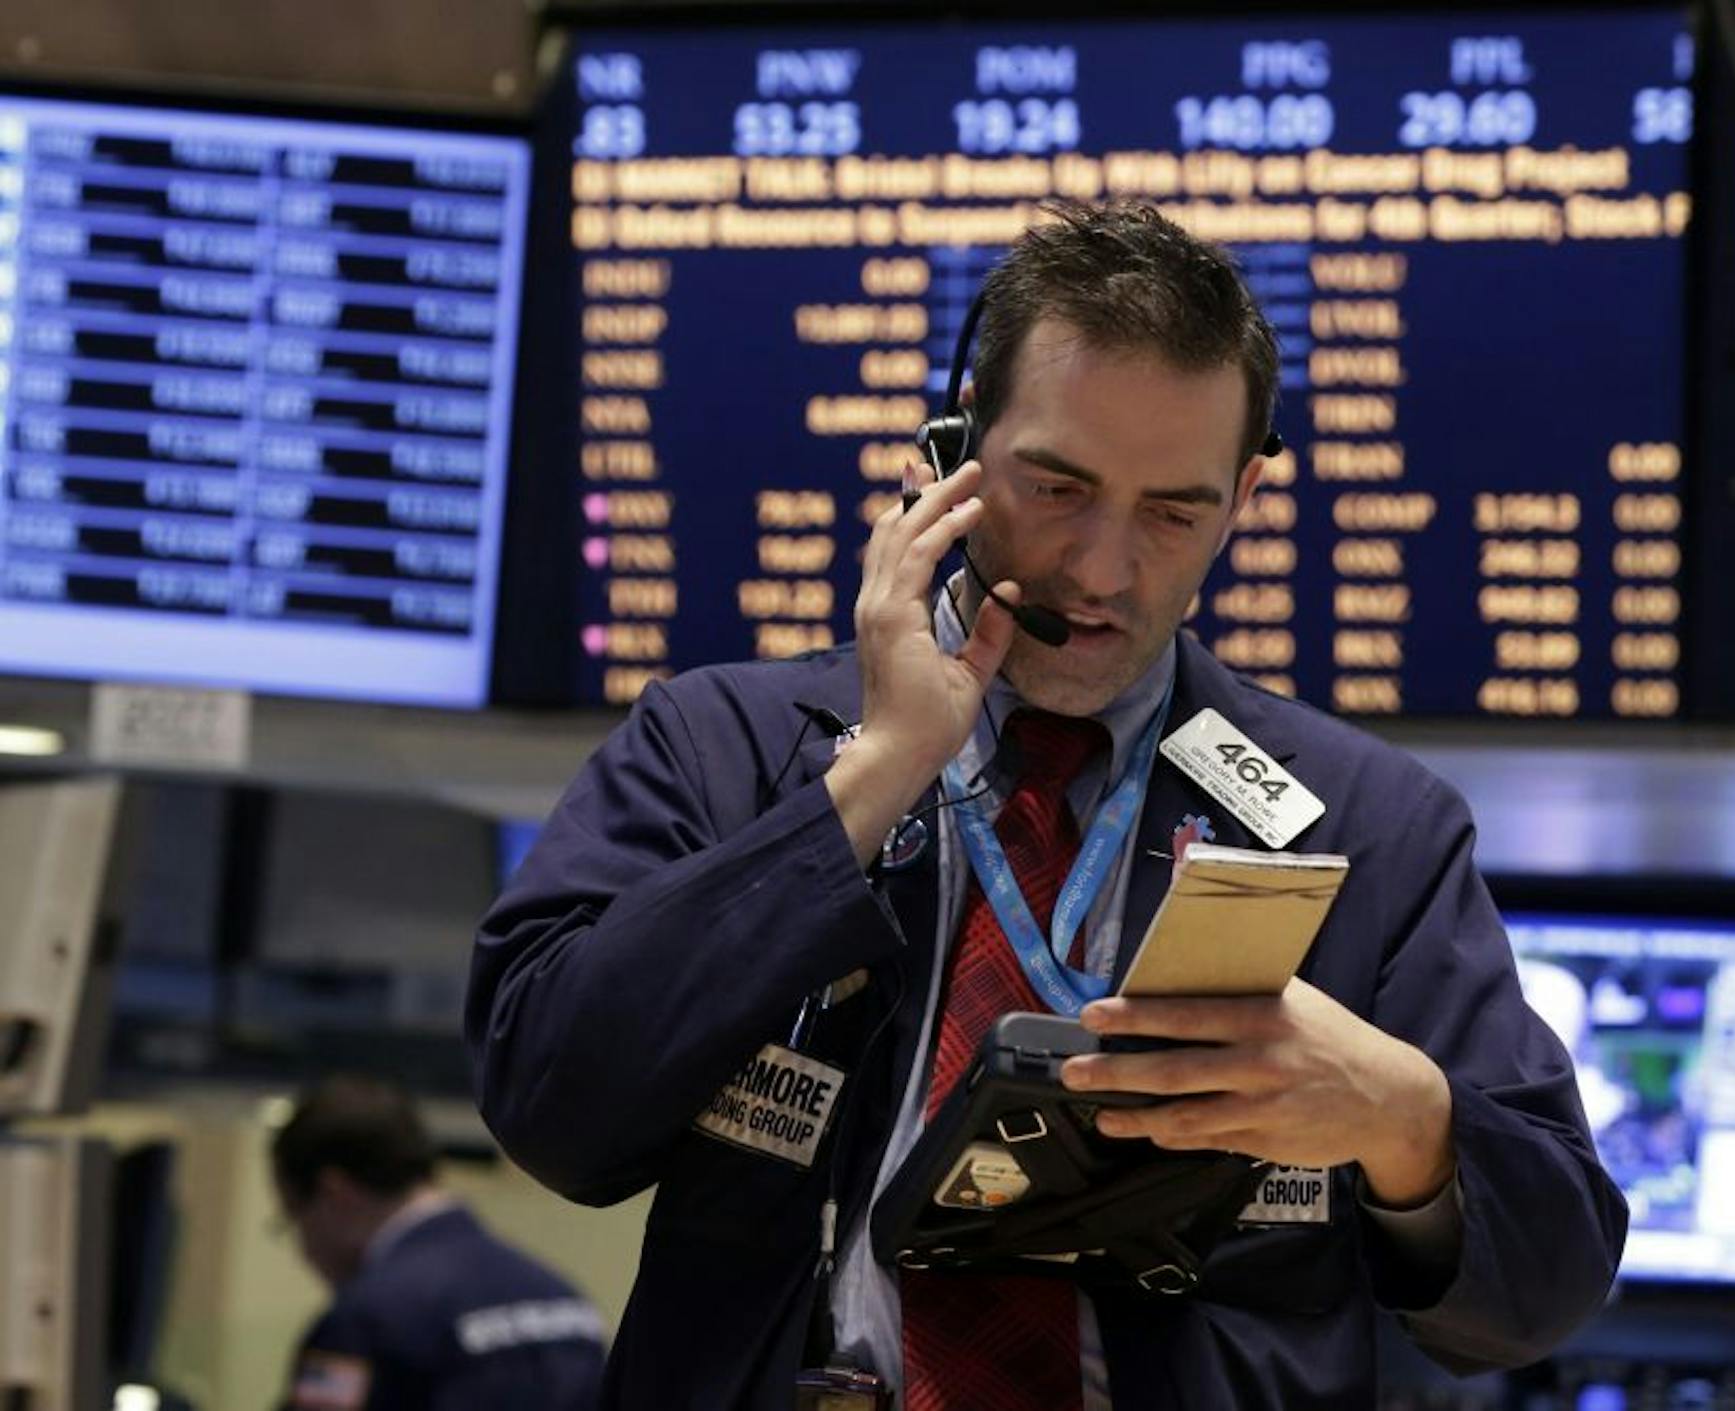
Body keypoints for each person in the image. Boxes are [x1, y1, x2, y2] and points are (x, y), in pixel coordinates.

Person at [469, 199, 1627, 1410]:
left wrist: (1401, 1118)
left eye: (1173, 511)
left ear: (1244, 496)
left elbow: (1543, 1289)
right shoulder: (725, 747)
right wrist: (868, 784)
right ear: (951, 456)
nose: (1101, 567)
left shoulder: (1367, 824)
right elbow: (552, 1107)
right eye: (1057, 486)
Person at [271, 1074, 607, 1411]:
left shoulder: (363, 1322)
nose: (305, 1250)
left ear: (334, 1193)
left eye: (292, 1219)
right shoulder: (564, 1301)